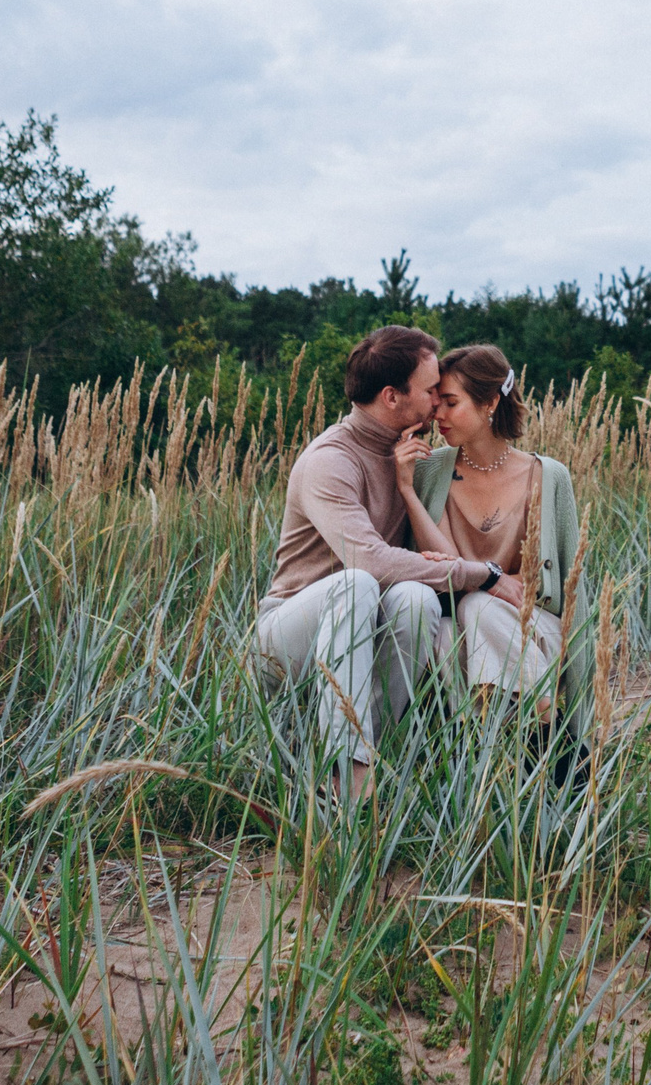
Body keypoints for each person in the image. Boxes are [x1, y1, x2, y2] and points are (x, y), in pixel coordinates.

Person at [251, 324, 497, 792]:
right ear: (391, 396)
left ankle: (371, 752)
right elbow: (371, 563)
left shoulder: (410, 457)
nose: (437, 401)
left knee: (415, 600)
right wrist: (482, 575)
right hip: (286, 643)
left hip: (363, 632)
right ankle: (348, 774)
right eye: (430, 390)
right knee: (357, 582)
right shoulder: (330, 460)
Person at [393, 343, 589, 740]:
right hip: (468, 628)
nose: (438, 415)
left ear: (490, 403)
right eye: (437, 403)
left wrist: (586, 690)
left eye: (451, 403)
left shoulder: (547, 476)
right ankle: (521, 743)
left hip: (530, 628)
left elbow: (564, 584)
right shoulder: (430, 471)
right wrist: (408, 491)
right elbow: (450, 567)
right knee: (449, 631)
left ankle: (544, 727)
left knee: (479, 605)